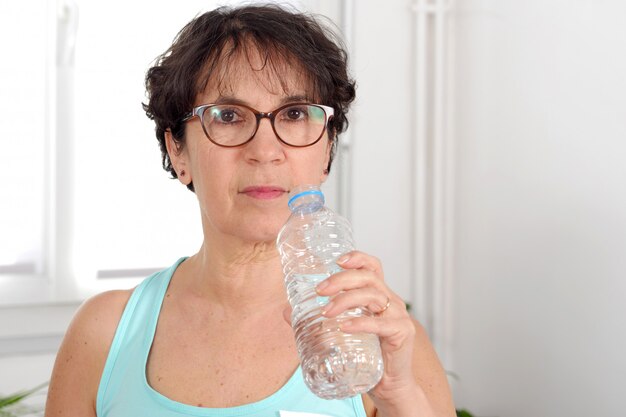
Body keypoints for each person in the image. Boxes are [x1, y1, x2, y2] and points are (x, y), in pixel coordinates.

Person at [45, 4, 455, 417]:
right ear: (177, 149)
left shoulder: (382, 340)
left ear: (328, 149)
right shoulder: (104, 334)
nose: (265, 151)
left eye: (294, 114)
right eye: (227, 116)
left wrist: (400, 397)